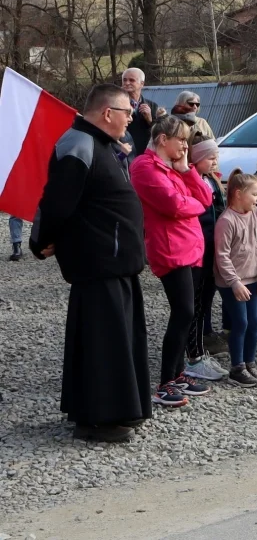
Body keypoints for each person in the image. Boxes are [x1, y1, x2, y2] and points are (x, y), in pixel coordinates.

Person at [29, 83, 151, 442]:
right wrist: (40, 241)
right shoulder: (78, 144)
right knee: (103, 344)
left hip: (115, 264)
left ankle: (123, 408)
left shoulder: (103, 144)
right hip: (98, 264)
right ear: (107, 113)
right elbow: (56, 203)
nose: (132, 118)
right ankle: (97, 420)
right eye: (127, 112)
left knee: (120, 341)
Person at [129, 116, 216, 406]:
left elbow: (206, 196)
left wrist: (186, 171)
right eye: (181, 139)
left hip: (190, 247)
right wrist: (192, 205)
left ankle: (178, 374)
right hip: (170, 250)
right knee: (182, 313)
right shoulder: (144, 167)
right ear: (163, 139)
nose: (185, 145)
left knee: (188, 314)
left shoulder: (175, 168)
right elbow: (175, 205)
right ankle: (166, 382)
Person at [212, 170, 257, 387]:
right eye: (255, 194)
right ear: (238, 194)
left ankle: (249, 363)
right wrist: (235, 282)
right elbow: (222, 256)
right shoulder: (227, 221)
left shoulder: (256, 214)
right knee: (241, 323)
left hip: (254, 278)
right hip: (232, 282)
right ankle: (237, 367)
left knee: (255, 323)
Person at [189, 137, 229, 358]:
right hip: (201, 244)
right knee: (198, 293)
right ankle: (198, 337)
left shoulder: (212, 179)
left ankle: (207, 330)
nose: (215, 161)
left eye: (216, 157)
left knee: (209, 290)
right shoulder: (194, 180)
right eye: (210, 157)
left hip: (215, 242)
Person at [121, 67, 166, 155]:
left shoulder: (152, 106)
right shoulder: (116, 105)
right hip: (125, 152)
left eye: (132, 80)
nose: (127, 83)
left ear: (142, 84)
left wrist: (150, 120)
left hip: (146, 154)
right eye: (124, 80)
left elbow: (161, 133)